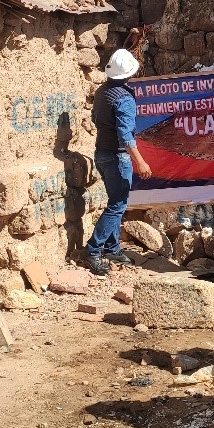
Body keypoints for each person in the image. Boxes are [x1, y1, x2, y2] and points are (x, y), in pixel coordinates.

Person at [83, 49, 151, 275]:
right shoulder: (124, 98)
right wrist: (140, 161)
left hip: (101, 153)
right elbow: (126, 136)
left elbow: (95, 119)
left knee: (116, 200)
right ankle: (93, 250)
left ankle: (112, 247)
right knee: (118, 204)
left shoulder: (103, 92)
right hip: (116, 156)